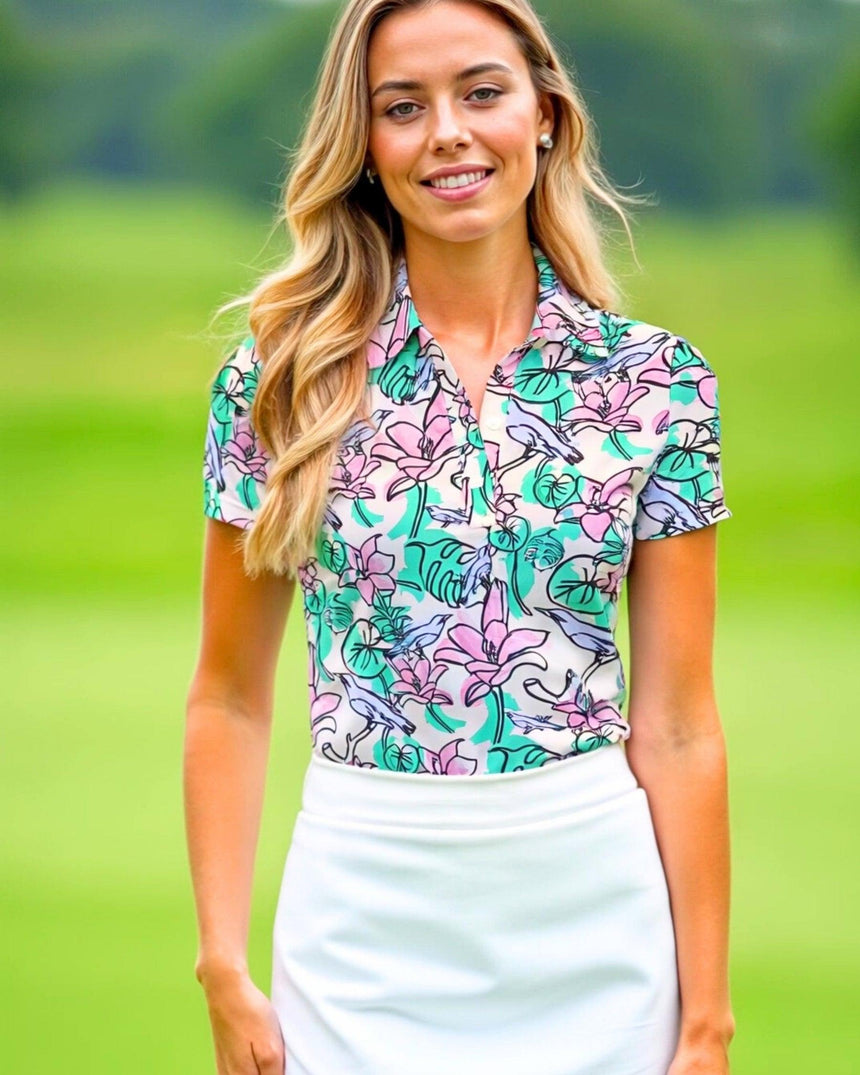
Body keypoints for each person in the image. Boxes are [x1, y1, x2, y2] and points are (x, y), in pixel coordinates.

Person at [184, 0, 737, 1072]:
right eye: (402, 107)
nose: (446, 131)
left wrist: (705, 1017)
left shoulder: (654, 383)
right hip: (361, 925)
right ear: (365, 146)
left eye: (480, 92)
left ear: (542, 115)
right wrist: (221, 963)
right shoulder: (279, 382)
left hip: (596, 925)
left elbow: (675, 723)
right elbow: (228, 694)